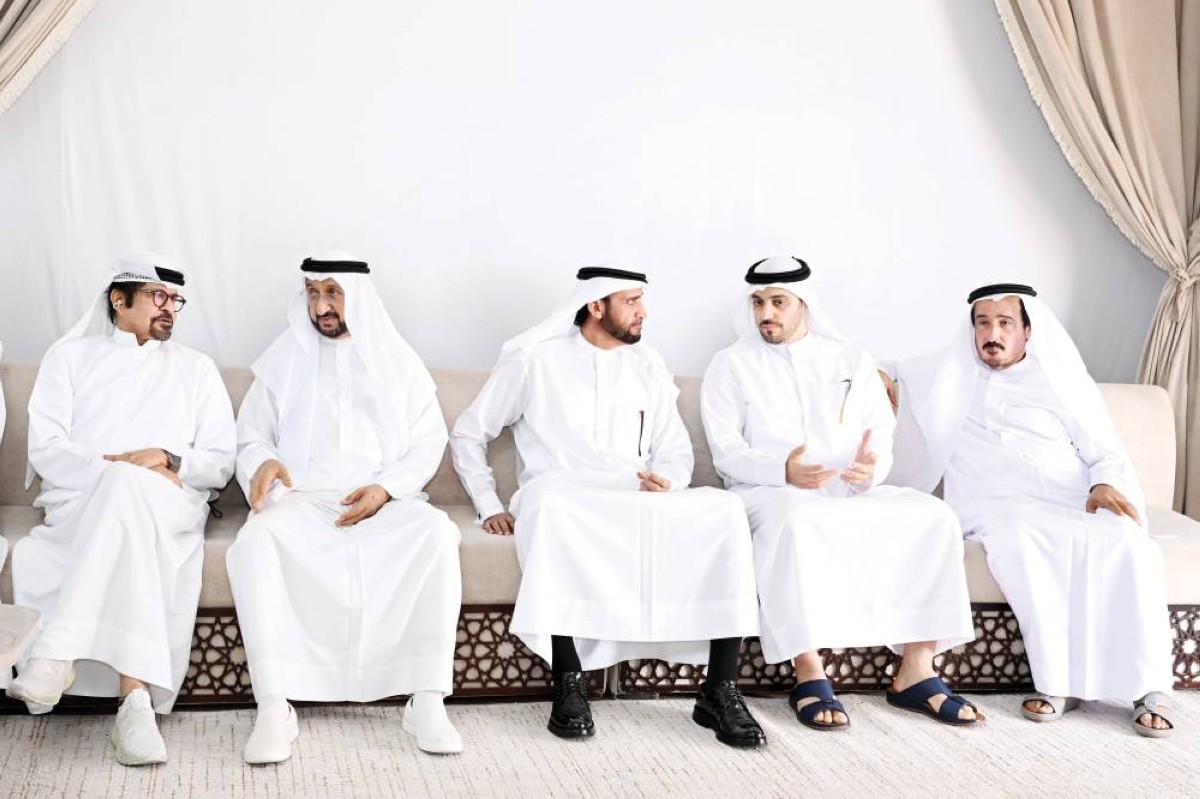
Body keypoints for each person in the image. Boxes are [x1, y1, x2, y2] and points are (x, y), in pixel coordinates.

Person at [451, 266, 765, 747]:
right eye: (632, 301)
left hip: (634, 495)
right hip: (561, 493)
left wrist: (669, 481)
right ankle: (569, 679)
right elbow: (469, 433)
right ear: (596, 306)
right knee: (554, 512)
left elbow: (675, 450)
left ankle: (719, 688)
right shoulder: (534, 360)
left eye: (642, 299)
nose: (644, 312)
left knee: (724, 510)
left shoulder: (648, 365)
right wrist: (488, 503)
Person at [701, 257, 980, 730]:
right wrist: (783, 470)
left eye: (778, 302)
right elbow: (726, 452)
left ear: (804, 304)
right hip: (766, 493)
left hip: (847, 492)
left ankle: (917, 669)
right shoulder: (730, 365)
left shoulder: (850, 359)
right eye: (758, 302)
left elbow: (879, 435)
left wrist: (871, 471)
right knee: (795, 519)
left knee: (934, 516)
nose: (766, 313)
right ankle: (809, 670)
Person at [889, 282, 1175, 737]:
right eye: (983, 323)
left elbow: (1105, 451)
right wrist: (878, 381)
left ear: (1027, 330)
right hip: (996, 508)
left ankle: (1150, 687)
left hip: (1070, 501)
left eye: (1005, 323)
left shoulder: (1061, 381)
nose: (993, 334)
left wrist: (1104, 484)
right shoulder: (946, 376)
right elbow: (882, 375)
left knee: (1131, 545)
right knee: (1023, 543)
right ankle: (1059, 685)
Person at [227, 253, 462, 763]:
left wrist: (385, 489)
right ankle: (274, 704)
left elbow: (428, 441)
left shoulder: (399, 361)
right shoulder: (285, 357)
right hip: (303, 500)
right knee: (256, 542)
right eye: (313, 294)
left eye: (332, 293)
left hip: (384, 502)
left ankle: (426, 700)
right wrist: (263, 463)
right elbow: (251, 436)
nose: (321, 307)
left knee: (438, 535)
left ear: (358, 296)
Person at [7, 254, 236, 765]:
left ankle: (55, 654)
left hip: (170, 504)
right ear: (118, 298)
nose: (170, 308)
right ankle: (134, 704)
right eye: (158, 296)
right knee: (124, 489)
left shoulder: (196, 369)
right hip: (79, 502)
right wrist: (120, 468)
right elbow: (46, 450)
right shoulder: (68, 359)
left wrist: (168, 458)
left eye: (176, 300)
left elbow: (220, 461)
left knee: (129, 490)